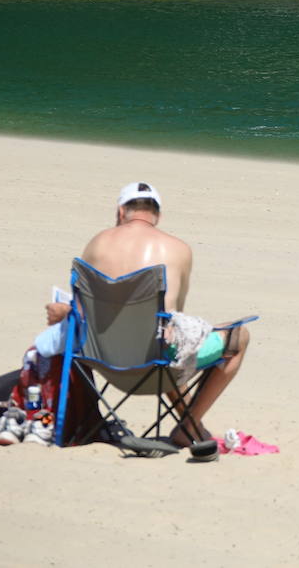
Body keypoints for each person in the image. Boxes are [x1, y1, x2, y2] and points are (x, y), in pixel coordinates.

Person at [43, 181, 252, 454]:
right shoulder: (179, 249)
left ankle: (189, 424)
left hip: (99, 360)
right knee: (234, 336)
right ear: (158, 215)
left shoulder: (97, 242)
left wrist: (65, 310)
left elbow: (83, 311)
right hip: (154, 365)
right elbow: (175, 318)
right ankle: (189, 425)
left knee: (158, 338)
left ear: (121, 211)